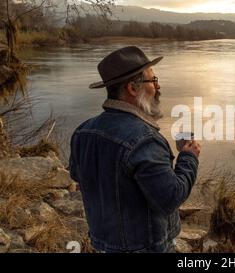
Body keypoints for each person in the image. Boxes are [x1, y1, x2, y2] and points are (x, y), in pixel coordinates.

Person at [69, 46, 201, 253]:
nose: (158, 87)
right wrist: (188, 157)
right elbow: (171, 198)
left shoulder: (82, 131)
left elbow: (79, 177)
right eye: (153, 81)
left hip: (102, 244)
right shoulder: (145, 140)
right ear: (132, 88)